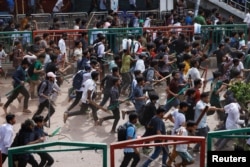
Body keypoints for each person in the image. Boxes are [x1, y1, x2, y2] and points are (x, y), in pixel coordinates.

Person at [165, 101, 189, 167]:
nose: (187, 108)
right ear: (183, 107)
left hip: (175, 132)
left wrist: (175, 122)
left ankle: (173, 162)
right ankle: (169, 163)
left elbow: (169, 116)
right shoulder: (182, 116)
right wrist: (180, 136)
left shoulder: (176, 110)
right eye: (186, 107)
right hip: (178, 134)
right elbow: (182, 127)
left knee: (176, 149)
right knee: (176, 150)